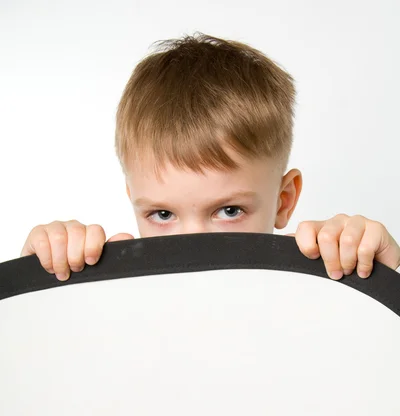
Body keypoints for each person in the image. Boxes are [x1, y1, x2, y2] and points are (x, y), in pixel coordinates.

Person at [20, 33, 400, 282]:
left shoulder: (318, 286)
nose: (194, 246)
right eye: (163, 214)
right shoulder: (117, 296)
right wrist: (44, 279)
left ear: (284, 200)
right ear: (133, 201)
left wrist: (379, 275)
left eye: (229, 211)